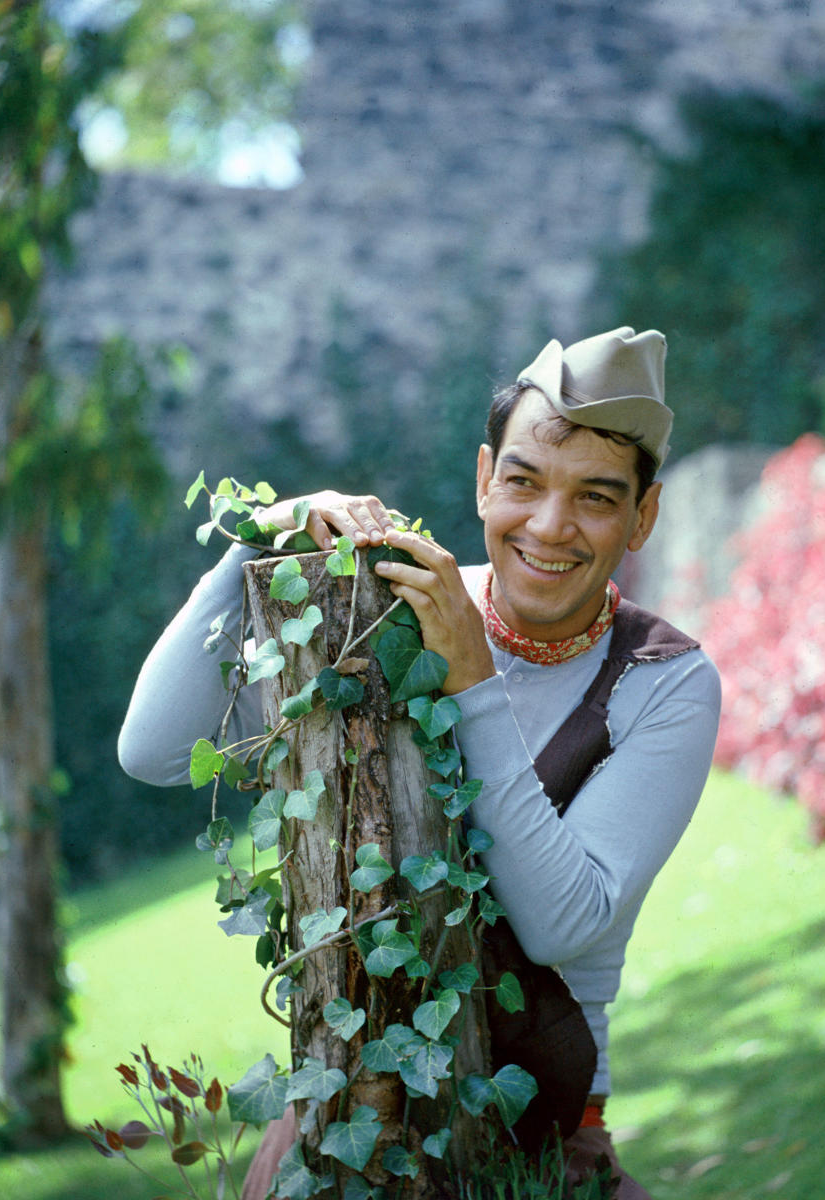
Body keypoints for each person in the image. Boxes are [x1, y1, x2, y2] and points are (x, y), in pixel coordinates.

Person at [118, 326, 721, 1199]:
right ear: (484, 480)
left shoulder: (666, 682)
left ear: (643, 515)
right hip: (344, 1115)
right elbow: (154, 752)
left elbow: (562, 925)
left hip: (541, 1133)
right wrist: (255, 542)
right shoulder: (383, 608)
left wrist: (473, 680)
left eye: (596, 497)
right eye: (523, 482)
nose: (550, 526)